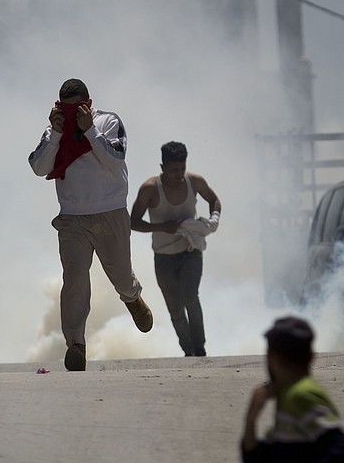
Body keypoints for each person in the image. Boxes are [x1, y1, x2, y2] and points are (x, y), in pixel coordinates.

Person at [29, 78, 153, 372]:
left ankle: (132, 297)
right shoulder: (54, 131)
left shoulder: (107, 122)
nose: (72, 114)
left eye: (77, 108)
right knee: (74, 278)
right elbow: (38, 167)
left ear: (89, 104)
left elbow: (115, 159)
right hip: (72, 217)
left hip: (110, 211)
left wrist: (89, 129)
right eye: (66, 109)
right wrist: (58, 132)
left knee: (120, 276)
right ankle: (76, 344)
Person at [130, 141, 221, 356]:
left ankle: (200, 349)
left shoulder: (194, 182)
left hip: (190, 251)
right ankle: (188, 350)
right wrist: (162, 227)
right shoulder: (150, 189)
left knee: (191, 296)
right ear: (163, 168)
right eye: (174, 170)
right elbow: (133, 222)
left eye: (182, 168)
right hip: (163, 257)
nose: (179, 174)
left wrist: (214, 219)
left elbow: (214, 200)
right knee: (175, 307)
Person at [241, 316, 344, 463]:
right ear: (311, 357)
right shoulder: (286, 395)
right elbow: (258, 458)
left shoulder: (301, 394)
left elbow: (343, 453)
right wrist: (251, 420)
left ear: (272, 358)